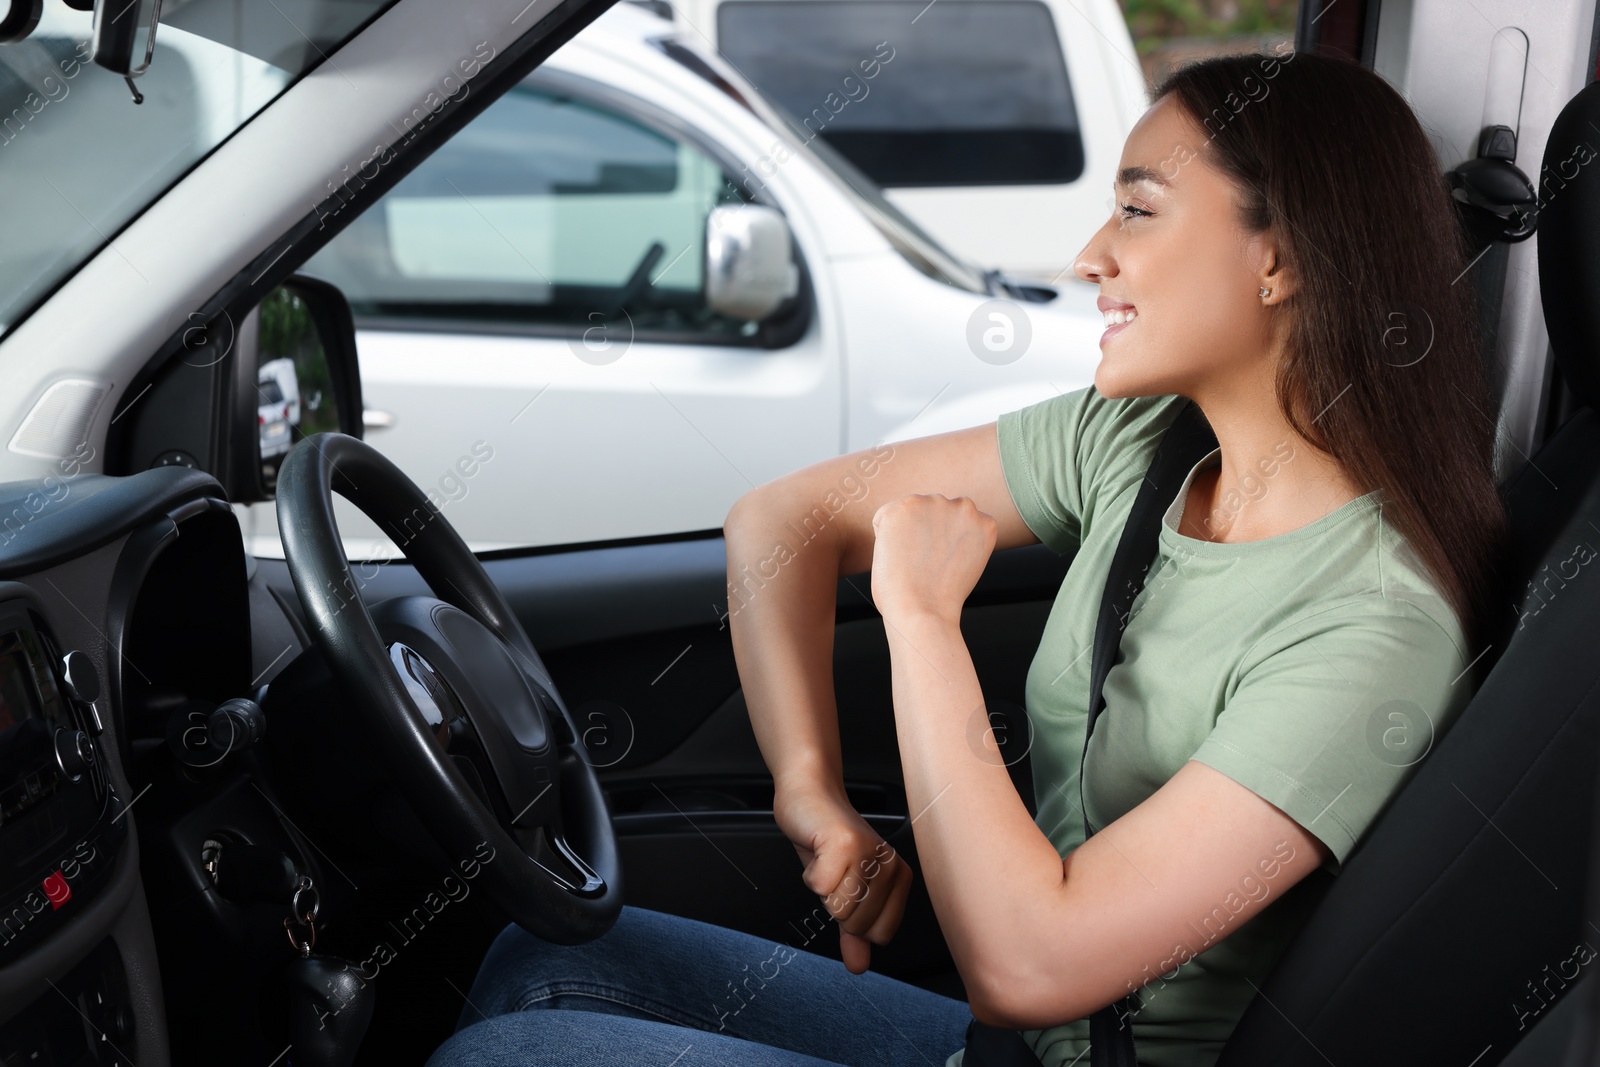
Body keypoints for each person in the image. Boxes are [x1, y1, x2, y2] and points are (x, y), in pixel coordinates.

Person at [426, 48, 1509, 1067]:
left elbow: (1029, 964)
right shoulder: (1138, 441)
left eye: (1136, 210)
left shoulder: (1371, 622)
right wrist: (809, 793)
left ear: (1280, 260)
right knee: (550, 957)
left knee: (507, 1054)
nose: (1092, 257)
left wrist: (922, 619)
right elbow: (782, 520)